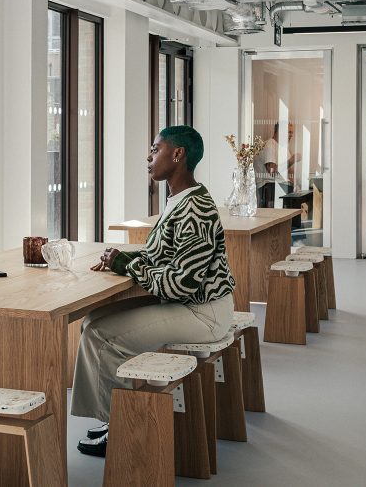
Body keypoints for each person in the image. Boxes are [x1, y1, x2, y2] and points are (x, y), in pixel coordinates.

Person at [70, 125, 236, 457]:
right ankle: (110, 415)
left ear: (178, 155)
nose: (148, 157)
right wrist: (124, 257)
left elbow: (181, 283)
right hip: (193, 305)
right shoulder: (182, 199)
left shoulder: (195, 209)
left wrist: (127, 266)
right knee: (93, 319)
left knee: (102, 335)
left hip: (203, 312)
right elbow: (163, 254)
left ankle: (118, 426)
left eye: (155, 149)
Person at [256, 122, 296, 208]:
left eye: (292, 132)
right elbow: (272, 171)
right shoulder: (270, 145)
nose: (291, 135)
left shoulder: (284, 149)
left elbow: (289, 172)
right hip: (272, 188)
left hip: (283, 188)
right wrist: (292, 160)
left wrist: (297, 186)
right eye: (289, 132)